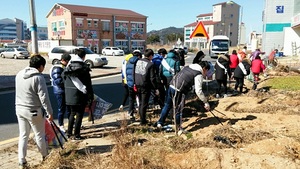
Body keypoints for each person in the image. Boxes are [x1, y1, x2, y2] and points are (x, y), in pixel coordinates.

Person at [15, 54, 53, 168]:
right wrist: (49, 112)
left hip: (19, 108)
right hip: (33, 110)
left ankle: (21, 160)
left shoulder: (19, 74)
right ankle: (45, 156)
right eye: (43, 66)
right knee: (39, 134)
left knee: (23, 135)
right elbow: (44, 97)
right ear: (40, 66)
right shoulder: (38, 78)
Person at [156, 61, 211, 130]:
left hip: (171, 85)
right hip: (179, 90)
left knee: (167, 105)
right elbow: (198, 91)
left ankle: (160, 123)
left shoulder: (189, 66)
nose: (206, 73)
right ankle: (178, 128)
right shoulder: (198, 74)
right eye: (206, 71)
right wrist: (205, 102)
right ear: (204, 68)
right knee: (178, 109)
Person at [63, 48, 94, 140]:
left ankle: (69, 133)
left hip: (69, 94)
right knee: (79, 114)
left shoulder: (68, 67)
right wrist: (90, 95)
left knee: (72, 113)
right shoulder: (84, 67)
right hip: (80, 94)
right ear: (84, 56)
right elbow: (88, 83)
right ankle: (76, 134)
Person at [134, 48, 159, 125]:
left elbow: (133, 72)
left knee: (140, 103)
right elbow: (152, 78)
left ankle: (141, 118)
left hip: (137, 84)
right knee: (144, 104)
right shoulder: (150, 64)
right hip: (145, 85)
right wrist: (155, 88)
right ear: (151, 56)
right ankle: (143, 120)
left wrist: (134, 83)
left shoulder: (138, 61)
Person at [49, 53, 71, 132]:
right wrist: (68, 82)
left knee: (69, 108)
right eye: (67, 61)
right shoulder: (57, 68)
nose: (68, 63)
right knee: (61, 109)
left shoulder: (63, 67)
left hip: (65, 90)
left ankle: (71, 123)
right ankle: (61, 125)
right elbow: (58, 81)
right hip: (60, 91)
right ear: (63, 60)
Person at [125, 50, 142, 119]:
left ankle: (130, 112)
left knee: (131, 98)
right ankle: (140, 113)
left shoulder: (128, 62)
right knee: (140, 98)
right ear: (138, 56)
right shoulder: (139, 62)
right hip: (137, 83)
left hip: (130, 83)